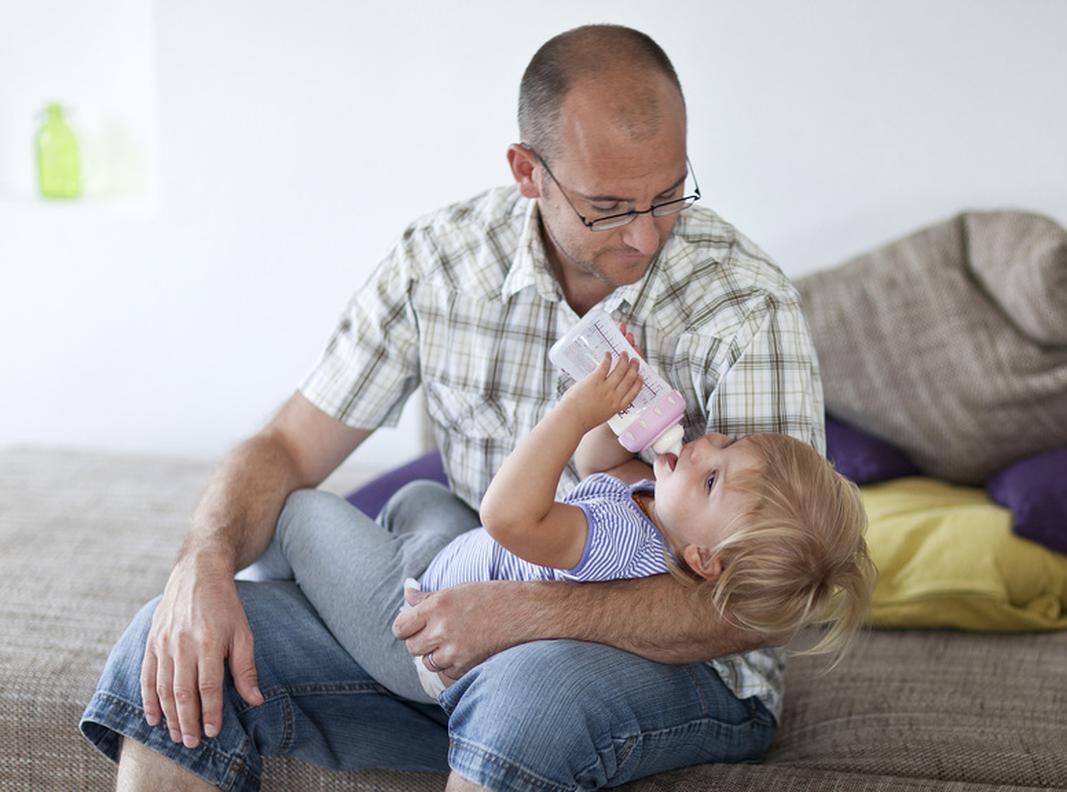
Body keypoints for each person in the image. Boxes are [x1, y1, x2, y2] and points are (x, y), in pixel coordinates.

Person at [81, 23, 831, 792]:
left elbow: (767, 601)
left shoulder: (744, 308)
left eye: (668, 195)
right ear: (528, 172)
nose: (645, 236)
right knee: (175, 645)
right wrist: (201, 562)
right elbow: (286, 449)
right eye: (608, 207)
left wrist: (525, 613)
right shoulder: (438, 266)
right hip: (451, 622)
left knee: (527, 690)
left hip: (682, 665)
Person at [242, 350, 872, 705]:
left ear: (705, 560)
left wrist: (576, 410)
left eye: (712, 480)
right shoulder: (652, 508)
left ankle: (287, 591)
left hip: (421, 628)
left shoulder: (621, 542)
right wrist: (619, 401)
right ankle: (340, 575)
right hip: (459, 561)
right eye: (727, 442)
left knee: (301, 512)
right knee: (420, 497)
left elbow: (506, 516)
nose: (705, 447)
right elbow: (596, 463)